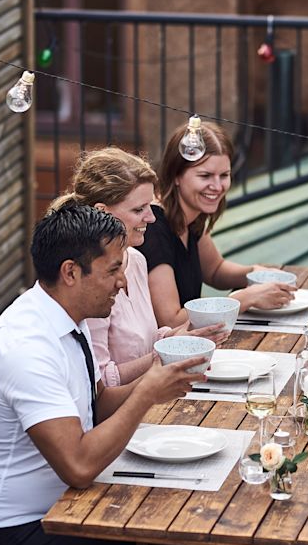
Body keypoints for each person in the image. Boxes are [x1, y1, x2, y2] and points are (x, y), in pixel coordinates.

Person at [0, 203, 250, 545]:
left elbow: (96, 405)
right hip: (21, 527)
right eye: (114, 270)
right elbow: (80, 464)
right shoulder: (26, 344)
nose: (123, 284)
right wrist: (148, 393)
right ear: (71, 272)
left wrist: (160, 378)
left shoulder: (66, 317)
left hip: (70, 504)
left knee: (189, 539)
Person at [50, 147, 228, 386]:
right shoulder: (87, 278)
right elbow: (101, 384)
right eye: (138, 209)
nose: (151, 218)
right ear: (103, 212)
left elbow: (143, 341)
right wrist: (165, 352)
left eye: (150, 206)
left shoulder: (135, 259)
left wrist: (181, 334)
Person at [141, 120, 296, 328]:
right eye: (205, 176)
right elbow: (171, 320)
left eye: (224, 175)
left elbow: (215, 270)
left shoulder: (191, 215)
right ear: (176, 176)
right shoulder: (154, 228)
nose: (217, 186)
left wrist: (255, 273)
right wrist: (245, 298)